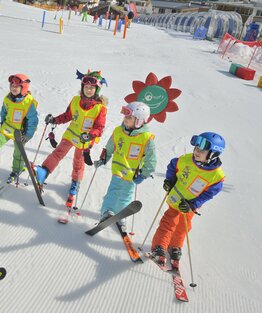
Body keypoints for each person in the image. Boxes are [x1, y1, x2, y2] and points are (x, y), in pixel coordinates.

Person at [150, 132, 225, 269]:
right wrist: (169, 180)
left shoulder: (216, 176)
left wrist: (193, 204)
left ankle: (175, 247)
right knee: (169, 222)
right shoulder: (186, 160)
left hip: (189, 206)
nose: (197, 151)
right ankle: (159, 246)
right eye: (196, 148)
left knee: (183, 226)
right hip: (176, 199)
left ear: (213, 154)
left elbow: (210, 193)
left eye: (202, 150)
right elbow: (173, 166)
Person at [35, 70, 107, 207]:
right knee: (58, 153)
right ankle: (44, 171)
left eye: (92, 88)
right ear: (82, 88)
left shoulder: (100, 109)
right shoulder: (75, 100)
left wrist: (90, 135)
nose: (89, 90)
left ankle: (75, 183)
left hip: (84, 139)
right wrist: (54, 120)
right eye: (86, 87)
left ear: (97, 89)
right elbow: (67, 115)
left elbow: (99, 128)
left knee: (78, 162)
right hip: (71, 134)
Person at [94, 101, 156, 231]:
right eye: (125, 117)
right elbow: (110, 147)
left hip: (133, 173)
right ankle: (107, 212)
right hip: (118, 169)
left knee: (126, 195)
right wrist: (103, 159)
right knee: (114, 190)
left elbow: (151, 158)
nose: (125, 120)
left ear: (139, 121)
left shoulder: (146, 138)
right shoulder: (118, 131)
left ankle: (121, 216)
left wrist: (144, 173)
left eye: (129, 117)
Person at [0, 74, 39, 183]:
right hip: (8, 127)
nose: (13, 88)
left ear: (23, 88)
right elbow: (3, 112)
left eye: (17, 86)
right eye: (12, 86)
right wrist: (2, 123)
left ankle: (17, 169)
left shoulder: (28, 102)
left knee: (18, 151)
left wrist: (28, 135)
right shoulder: (7, 98)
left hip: (20, 132)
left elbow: (33, 120)